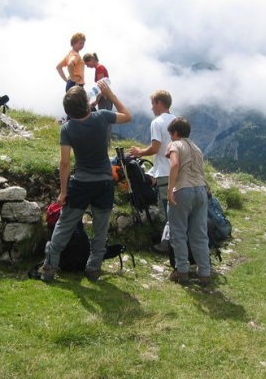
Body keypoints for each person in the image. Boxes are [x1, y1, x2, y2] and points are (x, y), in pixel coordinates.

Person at [38, 80, 132, 282]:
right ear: (86, 103)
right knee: (100, 229)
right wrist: (110, 94)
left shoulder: (67, 128)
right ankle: (93, 268)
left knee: (64, 225)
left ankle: (49, 268)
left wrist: (63, 191)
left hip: (80, 183)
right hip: (104, 183)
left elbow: (65, 163)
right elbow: (128, 116)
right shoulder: (102, 117)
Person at [128, 90, 176, 253]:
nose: (151, 108)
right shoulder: (177, 121)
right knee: (177, 208)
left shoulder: (157, 122)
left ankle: (168, 245)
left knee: (167, 210)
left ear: (160, 103)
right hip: (178, 172)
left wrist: (139, 152)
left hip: (164, 174)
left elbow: (156, 148)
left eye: (153, 104)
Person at [165, 116, 211, 286]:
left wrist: (170, 190)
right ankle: (204, 273)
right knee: (199, 234)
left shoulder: (175, 145)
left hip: (183, 190)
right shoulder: (197, 148)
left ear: (175, 133)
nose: (170, 137)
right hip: (201, 190)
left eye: (171, 134)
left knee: (178, 232)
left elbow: (175, 164)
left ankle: (182, 271)